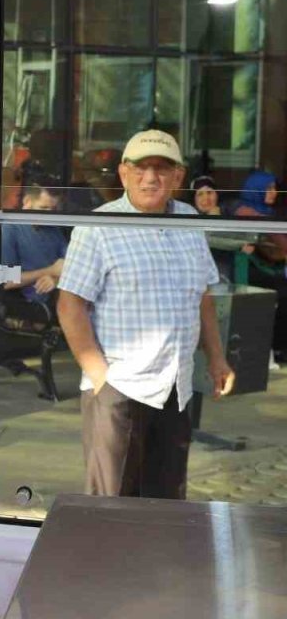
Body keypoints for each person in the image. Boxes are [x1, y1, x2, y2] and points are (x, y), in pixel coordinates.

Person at [57, 129, 235, 500]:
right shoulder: (98, 227)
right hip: (121, 387)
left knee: (167, 501)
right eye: (141, 168)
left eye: (161, 168)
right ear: (123, 173)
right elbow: (70, 304)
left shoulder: (188, 220)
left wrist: (217, 358)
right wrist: (100, 376)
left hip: (175, 386)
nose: (150, 177)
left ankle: (158, 561)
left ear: (178, 177)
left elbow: (203, 295)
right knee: (112, 503)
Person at [233, 170, 287, 360]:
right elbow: (282, 244)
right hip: (248, 272)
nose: (273, 192)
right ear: (256, 190)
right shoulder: (248, 212)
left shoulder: (268, 213)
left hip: (268, 268)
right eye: (269, 188)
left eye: (274, 188)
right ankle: (279, 348)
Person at [1, 179, 68, 303]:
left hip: (55, 299)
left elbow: (68, 265)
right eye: (43, 208)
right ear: (27, 202)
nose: (48, 214)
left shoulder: (53, 229)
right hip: (23, 307)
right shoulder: (9, 228)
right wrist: (50, 271)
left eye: (52, 209)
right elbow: (5, 280)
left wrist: (55, 279)